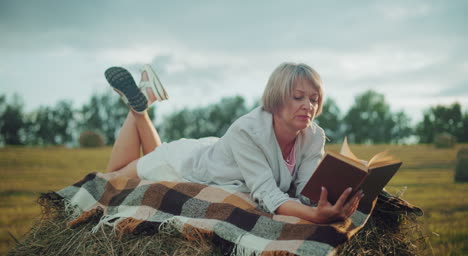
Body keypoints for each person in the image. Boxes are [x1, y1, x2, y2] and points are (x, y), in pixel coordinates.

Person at [104, 62, 363, 224]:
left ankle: (142, 102)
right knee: (111, 177)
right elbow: (268, 195)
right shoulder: (247, 130)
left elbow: (307, 189)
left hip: (216, 152)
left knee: (148, 155)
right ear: (277, 98)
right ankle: (139, 108)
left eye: (315, 99)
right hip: (182, 165)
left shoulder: (313, 136)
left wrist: (332, 199)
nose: (308, 105)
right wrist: (315, 217)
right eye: (298, 97)